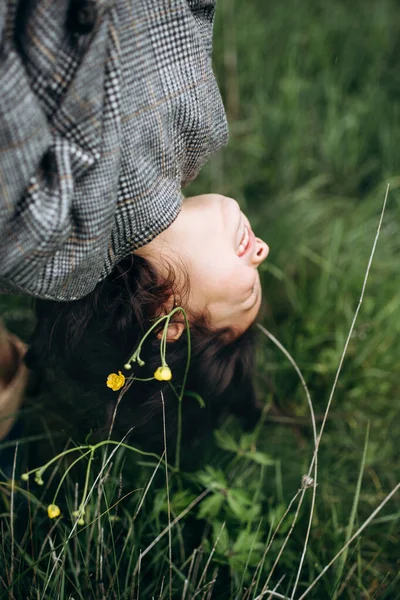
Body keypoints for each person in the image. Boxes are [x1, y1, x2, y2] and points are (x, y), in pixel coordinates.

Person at [0, 1, 269, 455]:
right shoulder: (200, 131)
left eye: (247, 293)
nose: (261, 249)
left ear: (169, 318)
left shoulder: (45, 240)